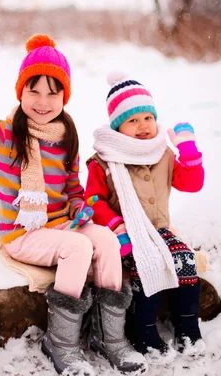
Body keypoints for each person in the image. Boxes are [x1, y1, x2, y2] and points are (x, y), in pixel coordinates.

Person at [0, 36, 147, 376]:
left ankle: (109, 338)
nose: (42, 101)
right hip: (24, 232)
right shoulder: (4, 135)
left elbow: (71, 184)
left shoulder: (65, 133)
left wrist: (80, 206)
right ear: (20, 92)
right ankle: (62, 343)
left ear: (64, 97)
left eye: (53, 93)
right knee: (79, 247)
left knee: (108, 242)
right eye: (33, 91)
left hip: (63, 223)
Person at [84, 72, 206, 361]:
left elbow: (192, 183)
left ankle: (187, 326)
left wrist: (187, 149)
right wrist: (116, 227)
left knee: (185, 259)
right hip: (125, 233)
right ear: (117, 127)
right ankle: (143, 330)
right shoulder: (104, 160)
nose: (143, 127)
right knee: (146, 264)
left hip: (160, 229)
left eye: (147, 118)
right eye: (133, 120)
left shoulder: (163, 154)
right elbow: (93, 201)